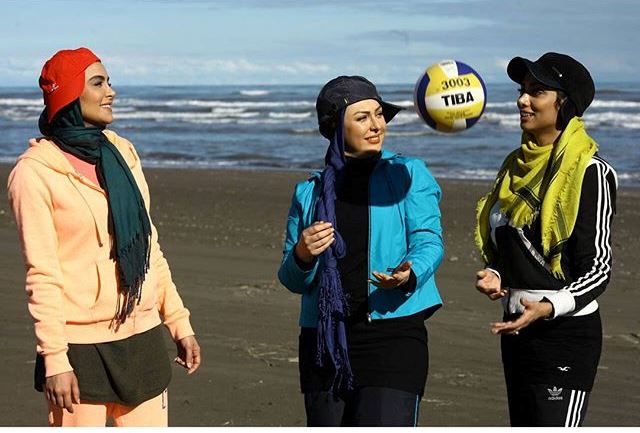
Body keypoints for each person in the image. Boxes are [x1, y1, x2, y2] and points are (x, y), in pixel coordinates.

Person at [7, 47, 201, 427]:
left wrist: (179, 323)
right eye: (98, 83)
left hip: (143, 336)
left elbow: (149, 248)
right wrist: (55, 359)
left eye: (109, 82)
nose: (111, 91)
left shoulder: (122, 153)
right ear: (68, 94)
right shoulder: (34, 174)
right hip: (79, 349)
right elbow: (42, 274)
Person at [277, 76, 444, 426]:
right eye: (362, 117)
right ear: (335, 127)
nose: (376, 125)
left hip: (392, 338)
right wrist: (303, 254)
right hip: (324, 341)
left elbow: (429, 240)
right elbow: (291, 279)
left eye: (379, 114)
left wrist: (411, 271)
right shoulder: (309, 192)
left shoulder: (408, 174)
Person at [474, 53, 617, 427]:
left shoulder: (590, 172)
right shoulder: (513, 167)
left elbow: (598, 269)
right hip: (515, 329)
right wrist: (495, 273)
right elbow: (513, 245)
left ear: (564, 104)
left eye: (537, 91)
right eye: (522, 91)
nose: (522, 100)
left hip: (564, 334)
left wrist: (549, 306)